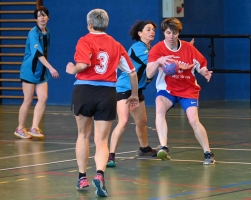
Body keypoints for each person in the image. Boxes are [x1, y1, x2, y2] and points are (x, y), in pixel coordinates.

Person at [66, 9, 139, 197]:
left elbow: (82, 65)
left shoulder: (85, 40)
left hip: (84, 90)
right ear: (106, 24)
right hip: (107, 92)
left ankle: (82, 177)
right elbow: (132, 72)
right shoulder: (116, 45)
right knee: (102, 140)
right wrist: (135, 95)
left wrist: (72, 68)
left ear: (89, 24)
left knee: (83, 135)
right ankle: (99, 174)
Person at [146, 17, 215, 165]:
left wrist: (205, 72)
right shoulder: (157, 49)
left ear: (179, 33)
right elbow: (148, 74)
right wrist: (159, 61)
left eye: (175, 33)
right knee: (159, 108)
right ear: (164, 32)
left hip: (187, 89)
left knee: (193, 120)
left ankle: (208, 153)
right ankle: (163, 146)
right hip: (167, 88)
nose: (171, 36)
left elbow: (200, 65)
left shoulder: (188, 48)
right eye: (169, 32)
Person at [107, 20, 158, 167]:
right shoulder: (138, 48)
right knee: (123, 121)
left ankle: (144, 149)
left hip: (137, 89)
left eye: (153, 29)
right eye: (148, 29)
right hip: (124, 88)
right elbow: (153, 64)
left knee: (141, 122)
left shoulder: (151, 49)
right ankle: (111, 156)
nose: (152, 31)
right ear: (140, 33)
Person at [14, 6, 59, 139]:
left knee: (43, 98)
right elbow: (38, 53)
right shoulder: (33, 33)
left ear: (48, 17)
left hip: (41, 71)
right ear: (36, 19)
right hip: (29, 71)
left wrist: (46, 69)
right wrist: (51, 68)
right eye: (39, 15)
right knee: (27, 100)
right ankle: (20, 128)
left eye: (44, 15)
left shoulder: (47, 32)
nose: (42, 17)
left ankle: (34, 128)